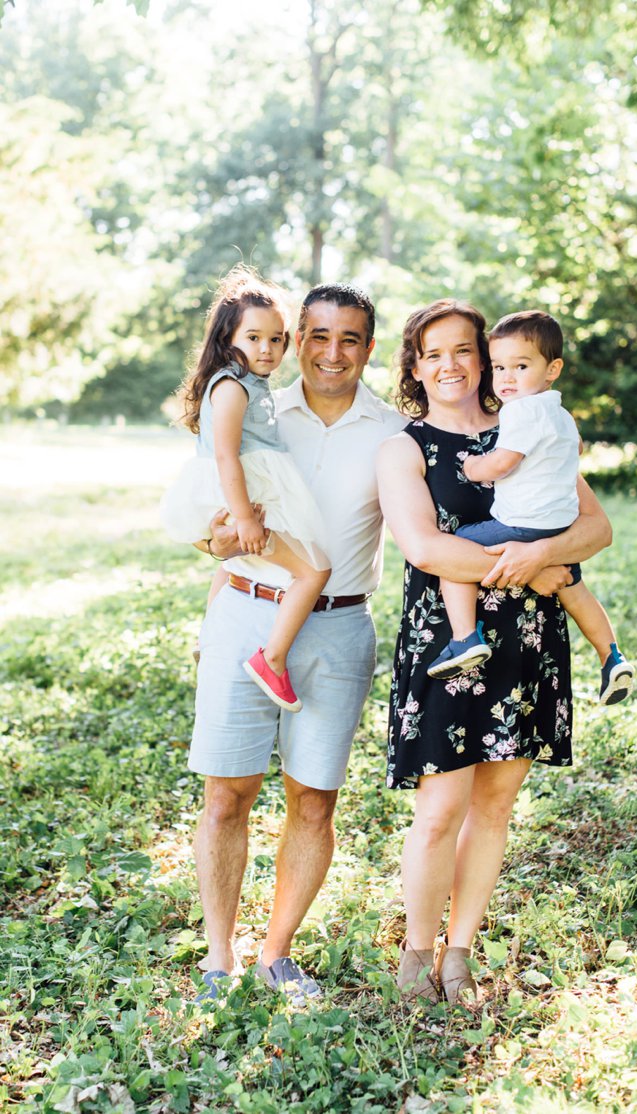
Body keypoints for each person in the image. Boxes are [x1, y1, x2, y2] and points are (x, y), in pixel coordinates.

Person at [376, 299, 612, 1004]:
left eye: (462, 350)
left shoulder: (529, 425)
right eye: (432, 353)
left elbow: (596, 528)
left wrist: (542, 555)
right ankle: (418, 956)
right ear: (415, 367)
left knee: (496, 806)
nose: (449, 365)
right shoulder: (404, 446)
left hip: (526, 639)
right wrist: (529, 565)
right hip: (451, 641)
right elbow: (423, 548)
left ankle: (460, 953)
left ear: (485, 358)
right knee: (442, 805)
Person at [187, 282, 406, 1003]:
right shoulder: (255, 404)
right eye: (315, 335)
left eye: (348, 338)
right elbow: (211, 511)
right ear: (294, 340)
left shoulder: (394, 433)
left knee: (313, 801)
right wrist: (215, 550)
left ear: (369, 349)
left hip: (339, 627)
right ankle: (219, 959)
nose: (330, 352)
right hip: (246, 611)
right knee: (227, 795)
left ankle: (276, 953)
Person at [429, 309, 635, 706]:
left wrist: (474, 467)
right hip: (560, 525)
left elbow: (503, 463)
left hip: (520, 524)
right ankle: (612, 655)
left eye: (520, 366)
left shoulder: (520, 411)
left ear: (552, 368)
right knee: (576, 591)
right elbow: (574, 450)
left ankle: (464, 639)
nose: (506, 377)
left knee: (455, 552)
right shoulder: (561, 414)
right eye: (499, 367)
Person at [160, 266, 331, 712]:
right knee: (314, 571)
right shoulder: (233, 388)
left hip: (245, 491)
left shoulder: (246, 384)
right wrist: (244, 517)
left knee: (233, 563)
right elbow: (225, 456)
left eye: (276, 339)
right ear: (227, 337)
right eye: (254, 337)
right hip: (242, 495)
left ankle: (207, 636)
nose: (267, 348)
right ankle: (272, 659)